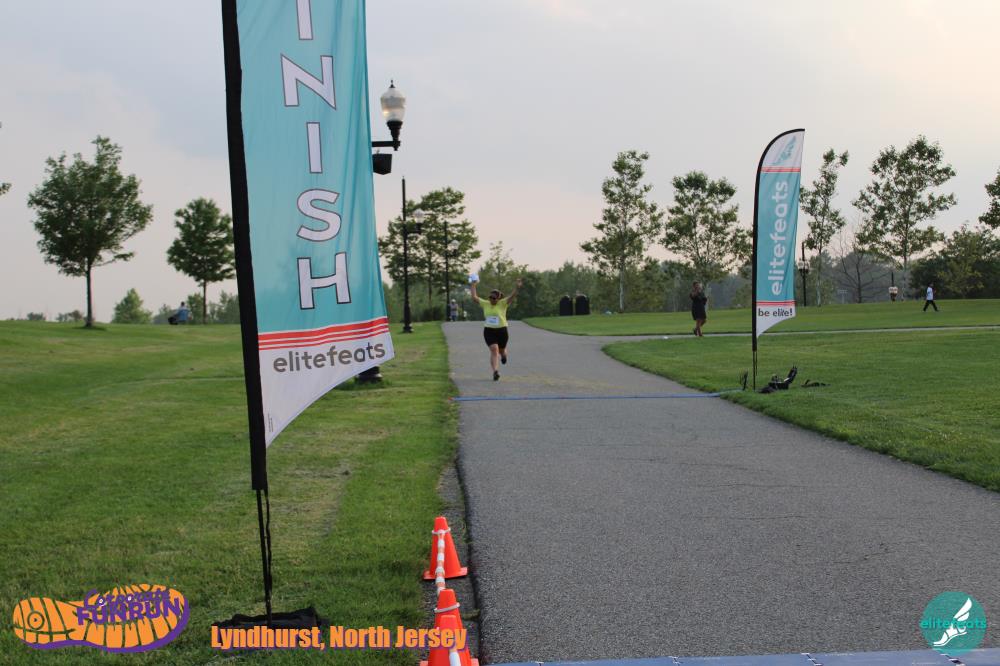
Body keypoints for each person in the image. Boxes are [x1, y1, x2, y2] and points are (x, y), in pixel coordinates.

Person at [471, 277, 522, 381]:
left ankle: (504, 356)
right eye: (490, 297)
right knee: (494, 349)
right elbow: (474, 297)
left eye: (494, 298)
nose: (492, 299)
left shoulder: (503, 303)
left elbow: (512, 296)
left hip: (502, 330)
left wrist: (517, 287)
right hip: (489, 331)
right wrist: (473, 285)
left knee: (501, 351)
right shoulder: (485, 303)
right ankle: (495, 372)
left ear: (498, 298)